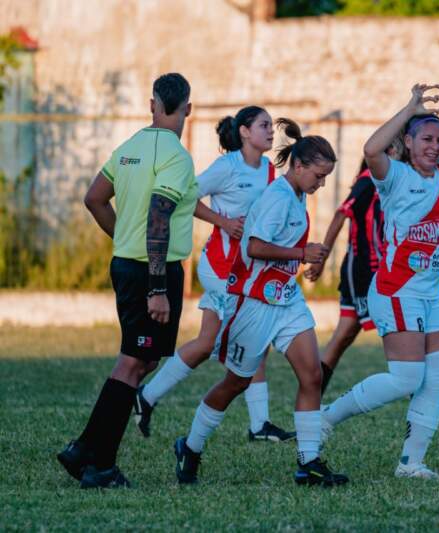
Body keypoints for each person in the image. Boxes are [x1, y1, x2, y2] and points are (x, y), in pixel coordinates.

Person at [320, 84, 439, 480]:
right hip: (396, 290)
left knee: (438, 377)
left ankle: (411, 464)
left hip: (431, 293)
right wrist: (409, 107)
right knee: (405, 378)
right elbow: (371, 149)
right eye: (426, 139)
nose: (434, 146)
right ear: (410, 142)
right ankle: (324, 419)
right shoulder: (393, 176)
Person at [173, 118, 348, 487]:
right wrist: (303, 253)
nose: (321, 184)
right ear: (298, 167)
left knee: (312, 375)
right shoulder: (277, 196)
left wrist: (298, 259)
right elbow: (253, 247)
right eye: (318, 176)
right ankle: (190, 446)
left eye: (325, 177)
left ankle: (309, 463)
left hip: (285, 299)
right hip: (252, 303)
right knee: (235, 383)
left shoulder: (297, 193)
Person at [57, 73, 197, 488]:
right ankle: (98, 465)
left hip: (128, 263)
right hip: (153, 270)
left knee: (143, 359)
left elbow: (94, 198)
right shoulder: (177, 156)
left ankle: (84, 450)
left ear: (151, 103)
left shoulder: (130, 146)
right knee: (134, 361)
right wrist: (157, 287)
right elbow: (158, 218)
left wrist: (122, 237)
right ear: (188, 107)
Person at [134, 105, 294, 443]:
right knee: (255, 334)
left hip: (245, 271)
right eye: (263, 125)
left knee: (211, 343)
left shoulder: (268, 170)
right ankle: (258, 425)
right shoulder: (227, 166)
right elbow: (186, 197)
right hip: (221, 268)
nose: (270, 131)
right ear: (245, 132)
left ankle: (147, 396)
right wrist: (222, 222)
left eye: (271, 126)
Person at [307, 141, 439, 417]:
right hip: (363, 268)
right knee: (352, 336)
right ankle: (313, 406)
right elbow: (342, 213)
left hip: (381, 270)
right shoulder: (370, 180)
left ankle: (425, 396)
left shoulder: (405, 179)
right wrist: (322, 257)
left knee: (345, 336)